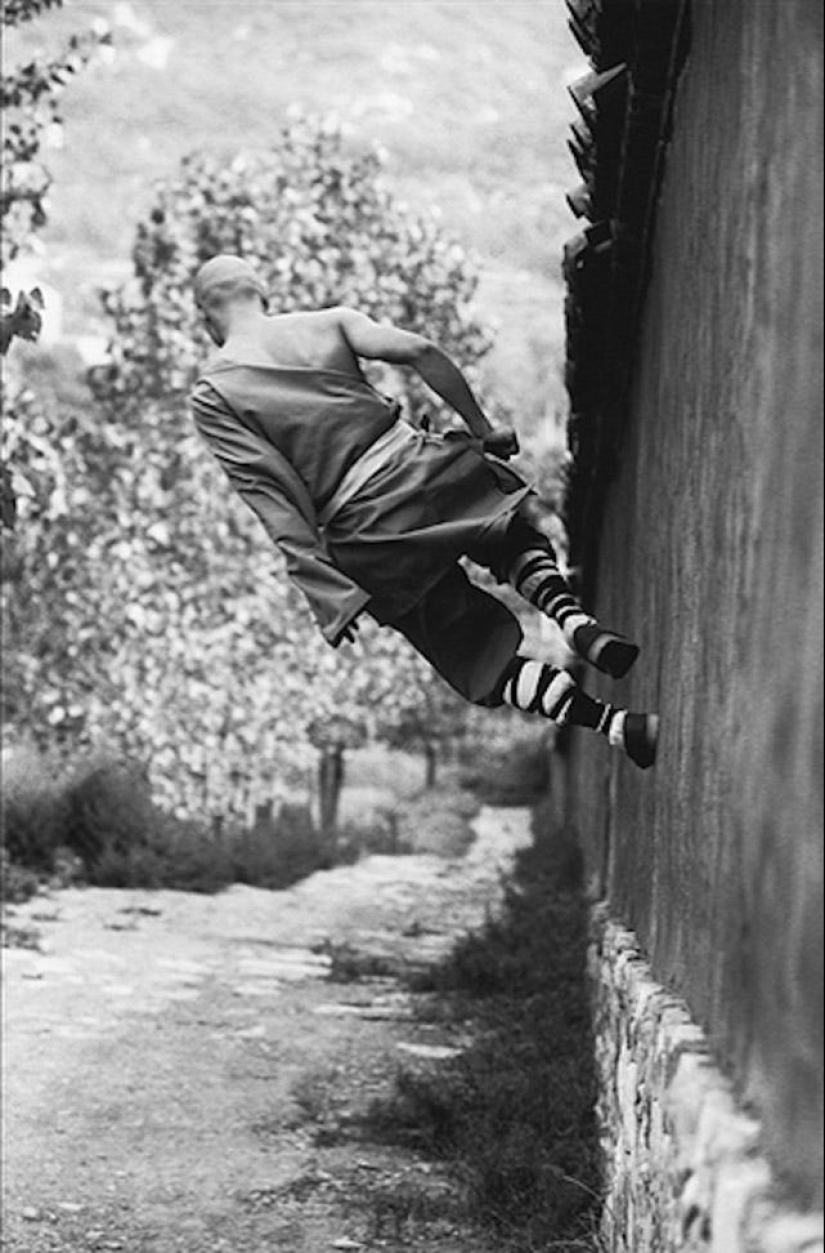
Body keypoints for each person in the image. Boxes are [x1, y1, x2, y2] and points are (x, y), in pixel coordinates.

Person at [189, 254, 658, 769]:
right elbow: (419, 350)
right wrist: (481, 428)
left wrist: (326, 589)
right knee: (507, 534)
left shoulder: (216, 393)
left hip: (365, 532)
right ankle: (574, 621)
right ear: (261, 291)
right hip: (421, 469)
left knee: (475, 651)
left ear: (206, 317)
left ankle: (620, 726)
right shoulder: (330, 323)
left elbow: (270, 494)